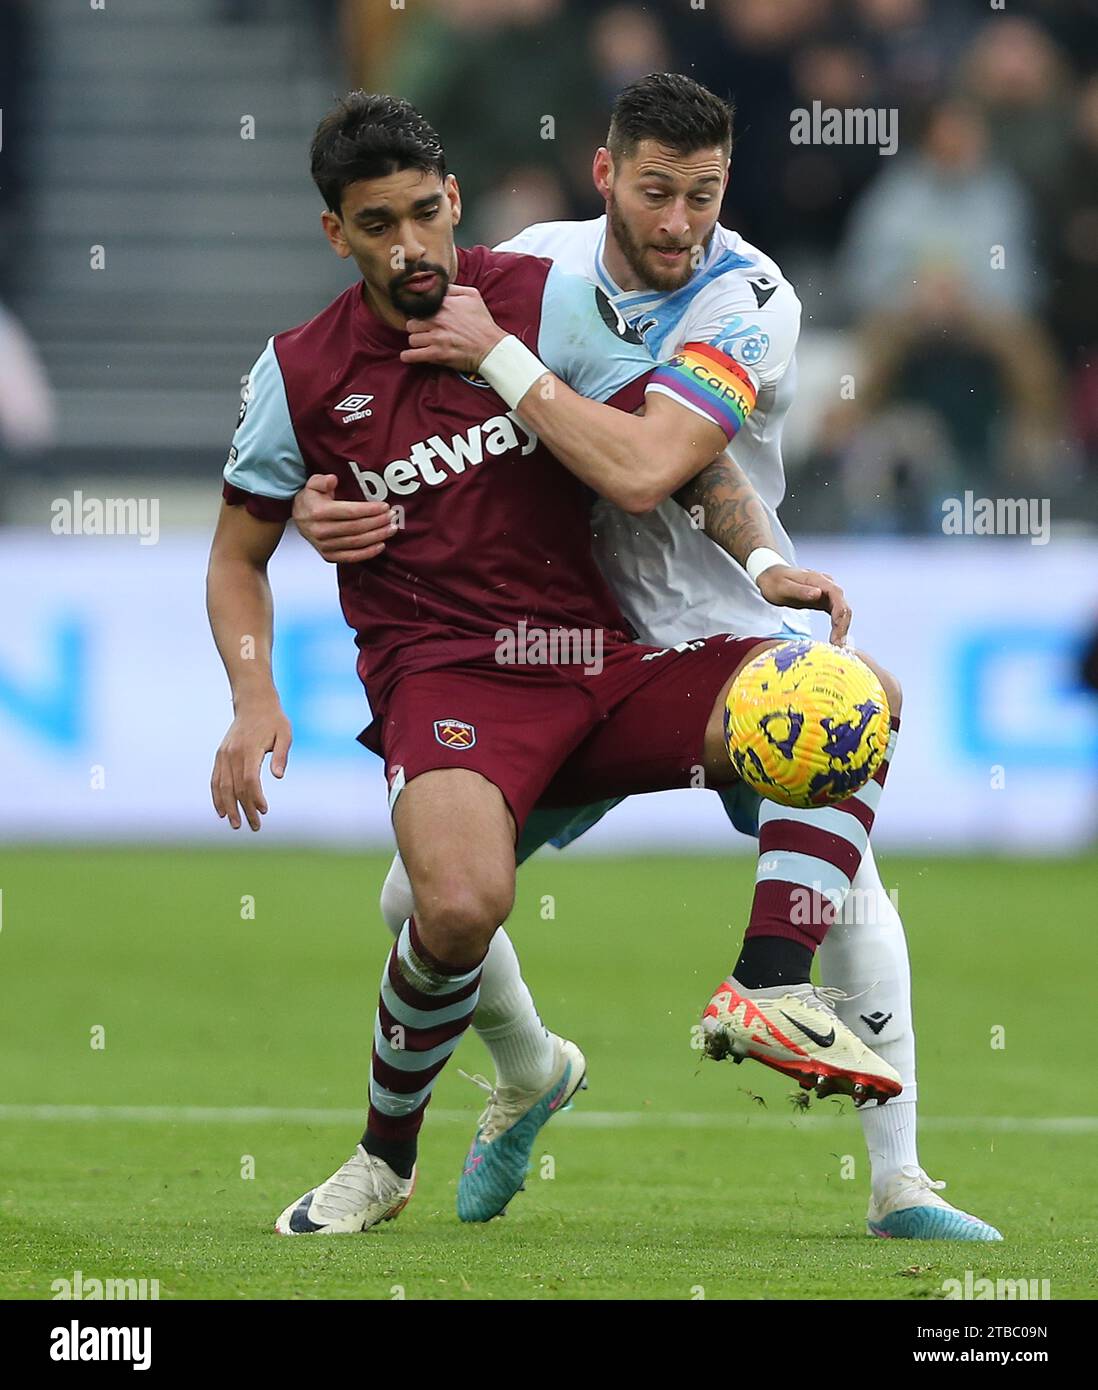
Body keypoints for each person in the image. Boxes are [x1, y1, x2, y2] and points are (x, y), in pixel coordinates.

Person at [293, 75, 1002, 1242]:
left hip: (720, 634)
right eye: (660, 192)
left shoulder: (750, 295)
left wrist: (770, 563)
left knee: (852, 758)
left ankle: (896, 1176)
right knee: (422, 902)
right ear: (606, 175)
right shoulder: (532, 263)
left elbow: (647, 467)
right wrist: (330, 506)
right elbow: (404, 421)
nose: (682, 223)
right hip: (561, 647)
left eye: (707, 196)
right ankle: (532, 1070)